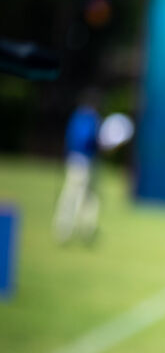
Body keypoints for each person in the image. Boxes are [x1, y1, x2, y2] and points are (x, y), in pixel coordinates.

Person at [52, 95, 102, 244]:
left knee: (74, 195)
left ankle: (67, 229)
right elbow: (88, 139)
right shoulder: (90, 119)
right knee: (80, 197)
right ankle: (74, 230)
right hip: (84, 161)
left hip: (73, 159)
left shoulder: (77, 116)